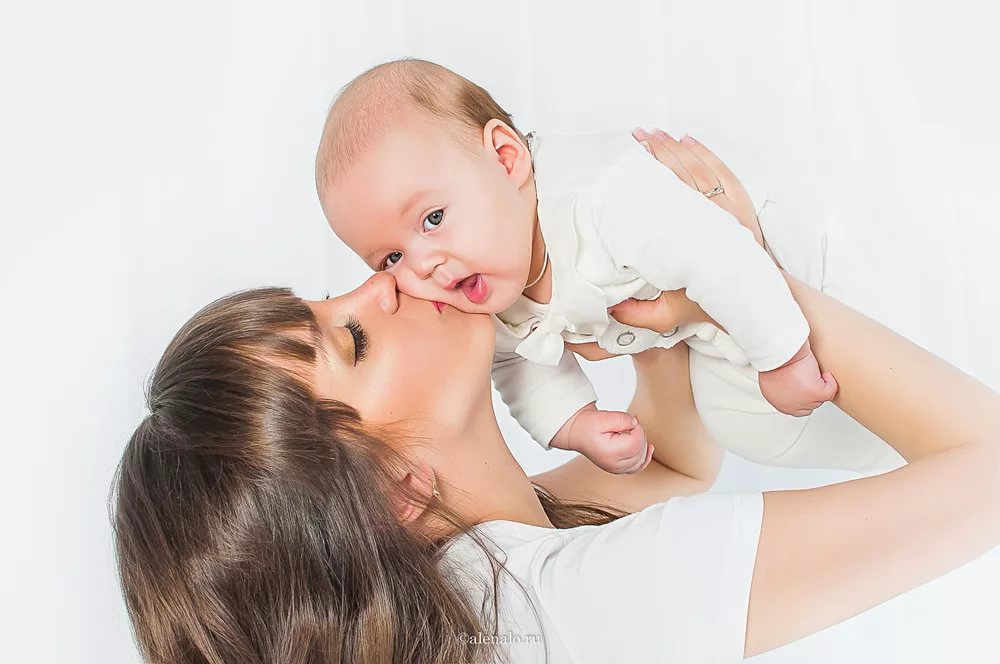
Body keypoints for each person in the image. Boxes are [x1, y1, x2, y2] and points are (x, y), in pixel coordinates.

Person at [113, 138, 1000, 663]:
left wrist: (651, 309)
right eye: (353, 339)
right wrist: (742, 274)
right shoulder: (568, 612)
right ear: (396, 492)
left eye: (330, 297)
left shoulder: (469, 582)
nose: (377, 284)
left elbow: (676, 463)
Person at [314, 58, 837, 478]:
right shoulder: (482, 293)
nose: (423, 266)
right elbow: (513, 364)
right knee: (746, 426)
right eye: (392, 258)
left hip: (782, 259)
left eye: (432, 218)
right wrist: (575, 425)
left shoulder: (602, 200)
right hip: (710, 330)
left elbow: (723, 257)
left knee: (799, 370)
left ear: (505, 158)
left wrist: (782, 356)